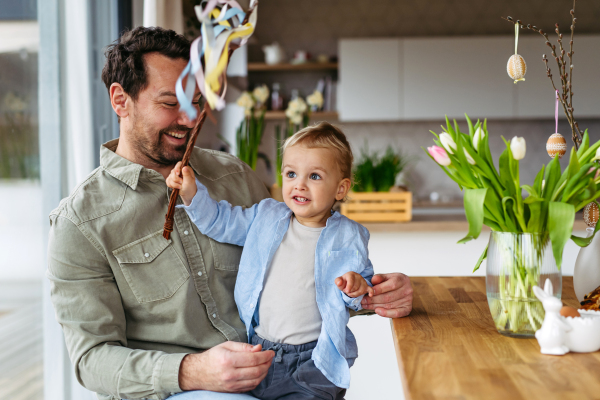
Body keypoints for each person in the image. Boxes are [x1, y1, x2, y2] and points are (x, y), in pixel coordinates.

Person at [46, 26, 413, 400]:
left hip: (284, 375)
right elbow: (91, 360)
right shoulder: (78, 224)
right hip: (182, 392)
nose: (189, 121)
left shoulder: (233, 176)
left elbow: (305, 278)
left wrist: (375, 295)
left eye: (194, 104)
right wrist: (192, 371)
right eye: (170, 103)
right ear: (120, 100)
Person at [167, 123, 374, 399]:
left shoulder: (351, 236)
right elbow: (220, 221)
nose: (299, 184)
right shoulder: (265, 216)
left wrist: (356, 287)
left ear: (340, 188)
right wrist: (192, 194)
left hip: (315, 360)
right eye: (291, 173)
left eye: (314, 176)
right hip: (260, 353)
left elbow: (363, 290)